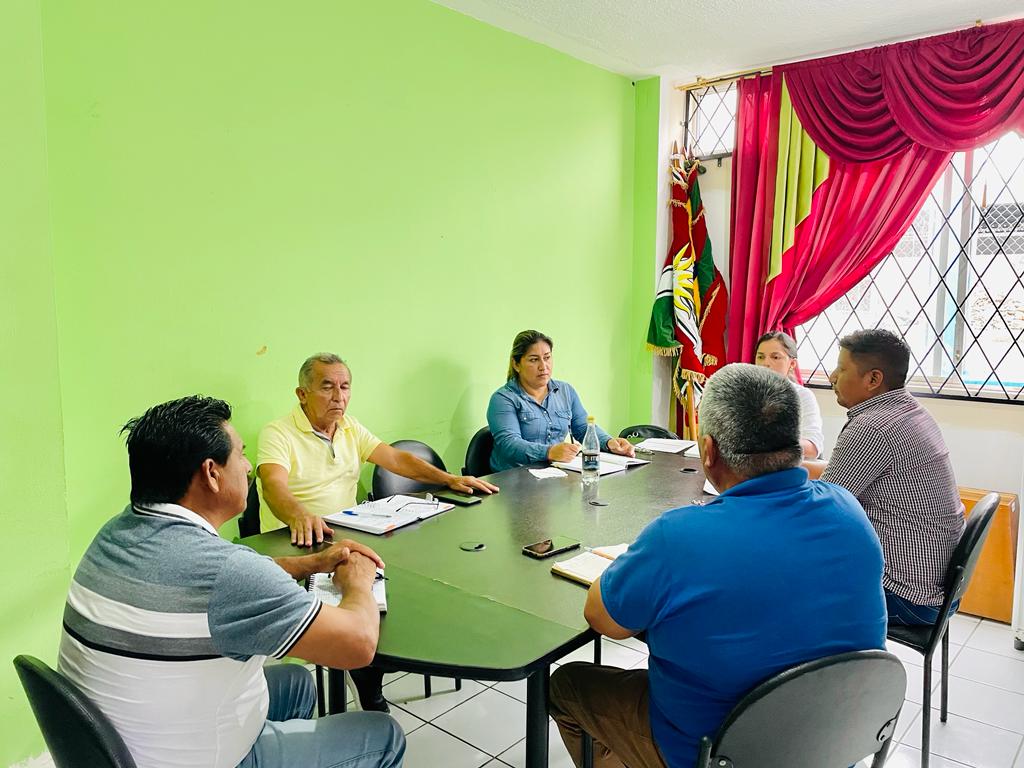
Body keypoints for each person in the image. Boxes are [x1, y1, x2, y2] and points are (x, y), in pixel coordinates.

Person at [548, 364, 887, 768]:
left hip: (717, 751)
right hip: (831, 743)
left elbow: (603, 620)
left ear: (708, 451)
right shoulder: (848, 509)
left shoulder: (678, 536)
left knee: (568, 685)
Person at [58, 395, 405, 768]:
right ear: (211, 473)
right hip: (190, 759)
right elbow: (358, 646)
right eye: (240, 454)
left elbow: (212, 581)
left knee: (298, 683)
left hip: (125, 744)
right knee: (383, 735)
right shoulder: (229, 572)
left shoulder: (116, 533)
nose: (248, 466)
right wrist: (358, 580)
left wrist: (309, 564)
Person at [257, 353, 498, 712]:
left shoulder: (350, 427)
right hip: (297, 542)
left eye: (345, 387)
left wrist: (449, 479)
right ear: (302, 394)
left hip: (348, 534)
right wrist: (299, 515)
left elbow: (396, 459)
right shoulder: (277, 433)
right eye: (327, 387)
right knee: (357, 597)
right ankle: (364, 684)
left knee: (399, 583)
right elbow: (272, 485)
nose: (338, 396)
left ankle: (371, 669)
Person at [807, 329, 964, 626]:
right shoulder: (909, 410)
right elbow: (848, 474)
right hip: (937, 587)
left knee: (784, 573)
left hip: (906, 595)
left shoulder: (871, 427)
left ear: (873, 379)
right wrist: (795, 466)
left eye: (841, 369)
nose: (832, 377)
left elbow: (822, 508)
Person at [486, 329, 635, 472]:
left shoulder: (565, 391)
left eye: (547, 357)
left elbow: (583, 427)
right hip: (514, 478)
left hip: (556, 472)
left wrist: (608, 442)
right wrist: (549, 452)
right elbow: (509, 444)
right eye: (534, 360)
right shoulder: (503, 399)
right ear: (516, 364)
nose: (543, 366)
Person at [754, 330, 824, 458]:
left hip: (789, 465)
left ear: (792, 364)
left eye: (775, 357)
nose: (765, 363)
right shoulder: (745, 392)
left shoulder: (803, 396)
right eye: (760, 357)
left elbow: (813, 447)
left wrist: (771, 443)